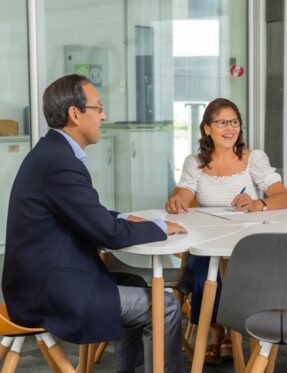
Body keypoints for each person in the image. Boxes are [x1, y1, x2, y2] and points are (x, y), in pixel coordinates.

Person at [2, 74, 187, 373]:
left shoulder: (52, 154)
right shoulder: (60, 162)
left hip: (39, 282)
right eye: (98, 108)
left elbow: (87, 214)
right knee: (165, 305)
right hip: (49, 292)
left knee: (138, 285)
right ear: (75, 114)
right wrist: (161, 227)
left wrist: (124, 217)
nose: (104, 115)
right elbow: (107, 233)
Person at [166, 97, 287, 364]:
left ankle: (230, 331)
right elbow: (185, 194)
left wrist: (259, 203)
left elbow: (284, 197)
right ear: (206, 129)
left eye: (234, 122)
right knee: (204, 273)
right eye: (222, 122)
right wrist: (177, 200)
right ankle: (217, 332)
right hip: (210, 242)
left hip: (247, 244)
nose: (230, 128)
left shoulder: (252, 159)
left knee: (233, 273)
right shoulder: (195, 163)